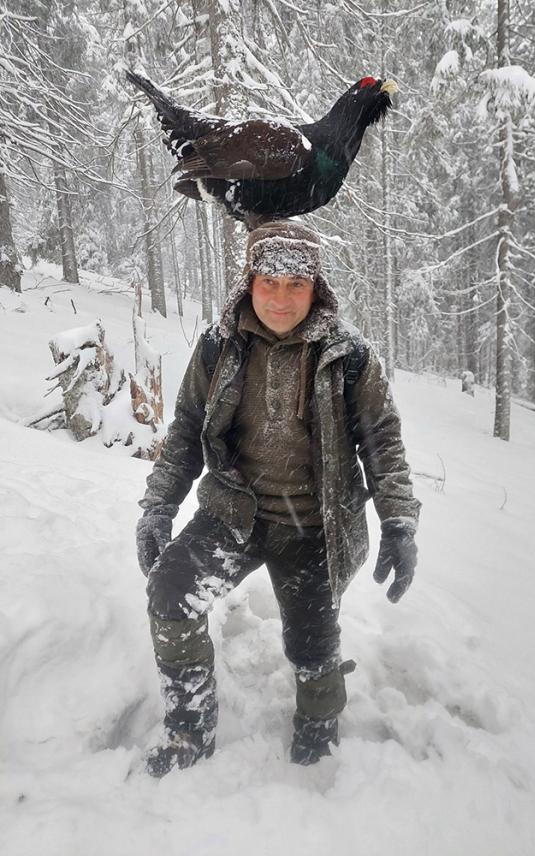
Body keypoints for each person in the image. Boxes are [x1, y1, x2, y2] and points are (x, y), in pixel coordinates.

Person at [136, 220, 420, 777]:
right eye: (270, 282)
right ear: (250, 282)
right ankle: (191, 730)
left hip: (313, 526)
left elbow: (382, 440)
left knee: (314, 645)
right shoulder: (220, 345)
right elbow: (189, 427)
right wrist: (158, 507)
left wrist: (401, 524)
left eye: (296, 284)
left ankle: (318, 741)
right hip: (231, 513)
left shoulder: (350, 356)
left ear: (316, 289)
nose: (281, 298)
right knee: (170, 595)